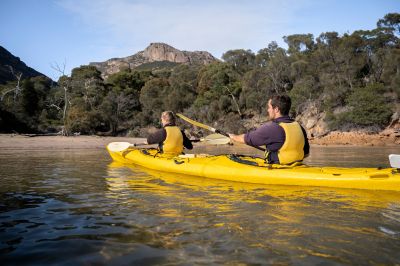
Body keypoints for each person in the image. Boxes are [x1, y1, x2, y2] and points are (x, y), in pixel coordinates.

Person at [229, 95, 309, 164]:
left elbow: (247, 139)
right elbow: (306, 153)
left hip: (278, 168)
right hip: (297, 166)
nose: (268, 110)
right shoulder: (299, 127)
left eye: (269, 107)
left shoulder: (272, 128)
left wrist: (233, 137)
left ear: (276, 109)